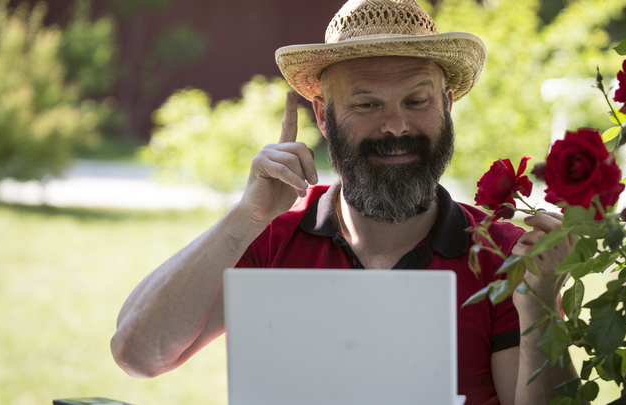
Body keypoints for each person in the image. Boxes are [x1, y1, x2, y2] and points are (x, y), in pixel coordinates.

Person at [111, 0, 580, 404]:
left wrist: (538, 305)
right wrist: (245, 218)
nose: (396, 126)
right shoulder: (269, 238)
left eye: (417, 101)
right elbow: (138, 355)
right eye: (367, 105)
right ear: (323, 115)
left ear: (447, 105)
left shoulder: (508, 258)